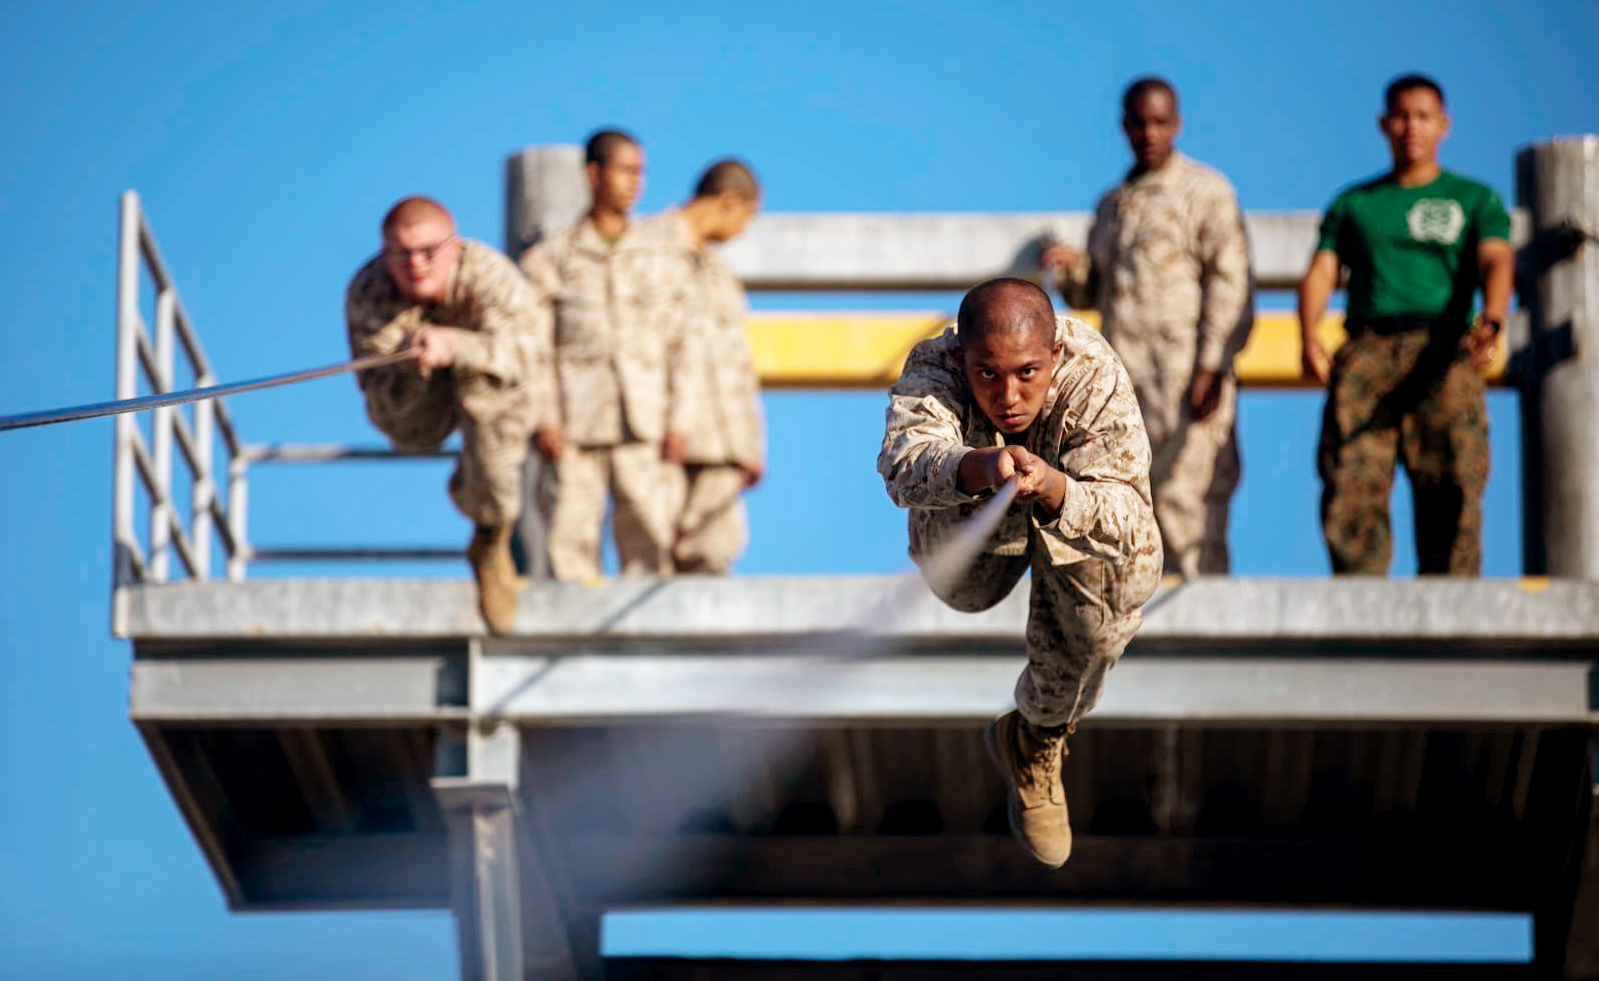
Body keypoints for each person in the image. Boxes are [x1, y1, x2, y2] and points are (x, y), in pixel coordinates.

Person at [877, 278, 1162, 868]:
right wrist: (980, 466)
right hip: (968, 554)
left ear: (1055, 351)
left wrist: (1058, 490)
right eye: (988, 374)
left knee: (1124, 582)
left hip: (1065, 529)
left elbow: (1135, 523)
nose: (1009, 395)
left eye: (1028, 372)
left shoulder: (1094, 376)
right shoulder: (936, 365)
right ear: (962, 358)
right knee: (966, 580)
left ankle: (1035, 738)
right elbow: (903, 465)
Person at [1298, 74, 1513, 575]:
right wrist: (1309, 334)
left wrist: (1495, 319)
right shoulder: (1356, 203)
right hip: (1369, 348)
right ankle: (1361, 608)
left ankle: (1452, 613)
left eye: (1422, 116)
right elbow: (1323, 269)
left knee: (1451, 480)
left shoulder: (1473, 198)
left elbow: (1497, 260)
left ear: (1443, 125)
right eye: (1400, 116)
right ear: (1383, 124)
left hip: (1443, 349)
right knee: (1352, 479)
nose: (1410, 127)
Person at [1043, 76, 1253, 579]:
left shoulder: (1205, 191)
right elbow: (1097, 291)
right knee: (1129, 499)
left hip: (1185, 378)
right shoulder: (1112, 205)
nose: (1149, 133)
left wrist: (1212, 365)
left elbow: (1231, 283)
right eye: (1138, 122)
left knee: (1190, 499)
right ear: (1124, 126)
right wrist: (1071, 270)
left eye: (1160, 122)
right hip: (1127, 384)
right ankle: (1143, 629)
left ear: (1177, 124)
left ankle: (1201, 629)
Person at [345, 195, 549, 634]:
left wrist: (456, 346)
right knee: (410, 401)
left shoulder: (491, 277)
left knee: (488, 398)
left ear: (454, 246)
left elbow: (526, 358)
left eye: (428, 252)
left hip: (494, 388)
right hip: (415, 409)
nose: (415, 265)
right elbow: (380, 404)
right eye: (400, 254)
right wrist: (406, 360)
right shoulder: (368, 293)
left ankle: (490, 535)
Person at [519, 129, 692, 581]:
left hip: (646, 420)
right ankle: (575, 637)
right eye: (626, 171)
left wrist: (680, 421)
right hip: (576, 421)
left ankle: (647, 638)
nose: (637, 182)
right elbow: (535, 349)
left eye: (641, 172)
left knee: (650, 535)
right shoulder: (550, 259)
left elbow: (682, 346)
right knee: (570, 536)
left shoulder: (663, 256)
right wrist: (545, 417)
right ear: (593, 174)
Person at [645, 158, 766, 573]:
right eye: (747, 217)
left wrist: (750, 442)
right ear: (730, 202)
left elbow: (739, 364)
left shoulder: (720, 273)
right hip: (658, 435)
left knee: (713, 558)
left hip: (720, 444)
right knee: (650, 558)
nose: (743, 230)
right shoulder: (643, 248)